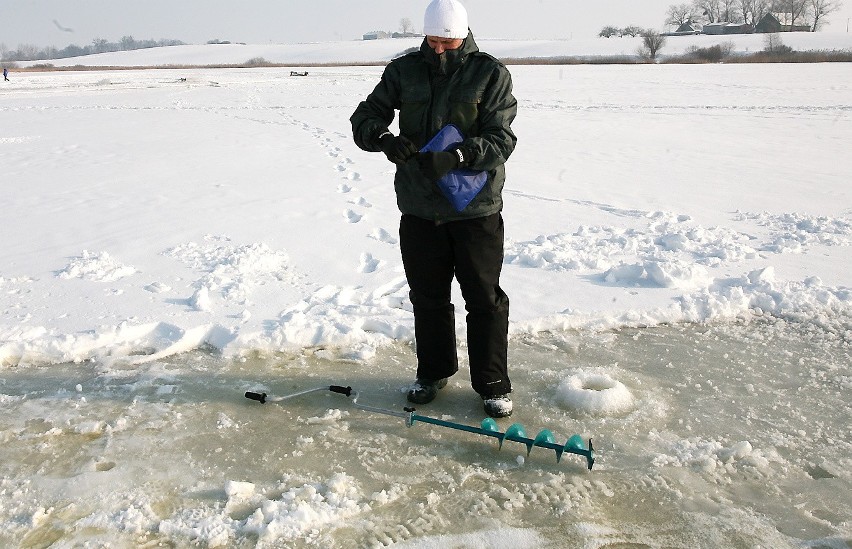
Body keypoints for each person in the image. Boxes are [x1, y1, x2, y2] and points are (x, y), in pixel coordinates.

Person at [350, 0, 517, 418]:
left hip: (475, 209)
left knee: (484, 299)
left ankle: (492, 383)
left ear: (463, 35)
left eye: (448, 41)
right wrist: (385, 140)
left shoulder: (490, 73)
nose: (439, 48)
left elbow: (502, 140)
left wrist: (459, 156)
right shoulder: (404, 70)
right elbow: (365, 117)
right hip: (420, 207)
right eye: (432, 40)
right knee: (427, 297)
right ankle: (433, 372)